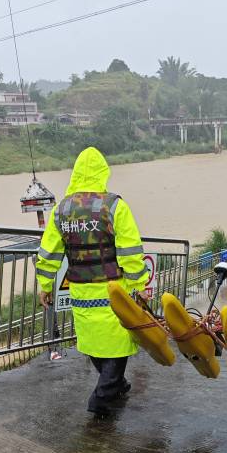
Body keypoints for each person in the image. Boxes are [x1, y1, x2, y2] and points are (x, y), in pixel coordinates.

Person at [35, 146, 149, 416]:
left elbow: (49, 252)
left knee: (96, 345)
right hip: (113, 293)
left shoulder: (61, 210)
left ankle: (117, 384)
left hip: (80, 294)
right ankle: (100, 399)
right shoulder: (114, 206)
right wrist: (139, 288)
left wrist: (45, 285)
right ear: (103, 172)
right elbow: (131, 252)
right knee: (117, 347)